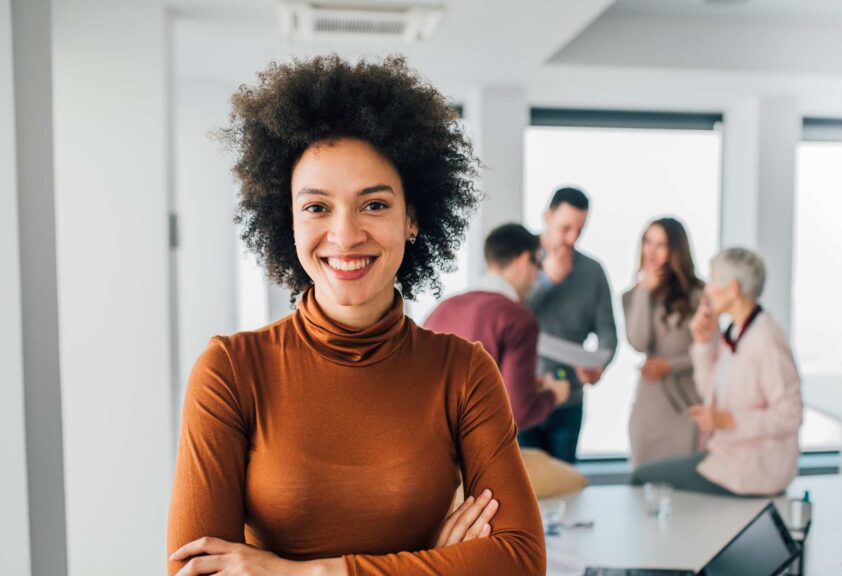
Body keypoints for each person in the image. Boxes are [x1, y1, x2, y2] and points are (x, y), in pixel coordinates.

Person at [166, 56, 545, 576]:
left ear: (413, 218)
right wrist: (437, 563)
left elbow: (521, 560)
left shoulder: (463, 372)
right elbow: (197, 572)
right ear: (289, 222)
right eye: (317, 207)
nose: (345, 236)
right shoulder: (230, 371)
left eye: (373, 205)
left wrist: (306, 572)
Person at [632, 247, 803, 496]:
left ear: (732, 289)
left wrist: (728, 420)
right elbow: (709, 391)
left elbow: (790, 416)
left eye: (712, 281)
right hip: (728, 456)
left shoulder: (767, 340)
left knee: (642, 478)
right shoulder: (735, 333)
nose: (707, 290)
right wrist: (702, 343)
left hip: (753, 467)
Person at [425, 224, 570, 431]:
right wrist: (553, 395)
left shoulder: (442, 309)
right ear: (522, 260)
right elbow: (518, 413)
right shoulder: (518, 318)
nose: (535, 278)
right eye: (537, 266)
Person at [521, 187, 617, 463]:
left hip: (569, 399)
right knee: (522, 489)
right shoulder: (520, 260)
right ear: (547, 216)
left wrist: (600, 365)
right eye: (565, 228)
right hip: (521, 395)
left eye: (579, 229)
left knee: (565, 485)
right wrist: (546, 280)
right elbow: (505, 317)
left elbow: (608, 333)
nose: (572, 238)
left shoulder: (592, 271)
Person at [623, 218, 705, 467]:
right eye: (648, 242)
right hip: (648, 408)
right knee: (642, 489)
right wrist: (644, 292)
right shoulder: (632, 295)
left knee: (683, 492)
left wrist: (671, 365)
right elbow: (638, 341)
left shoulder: (698, 294)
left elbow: (710, 353)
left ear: (675, 250)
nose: (651, 251)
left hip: (684, 407)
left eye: (661, 244)